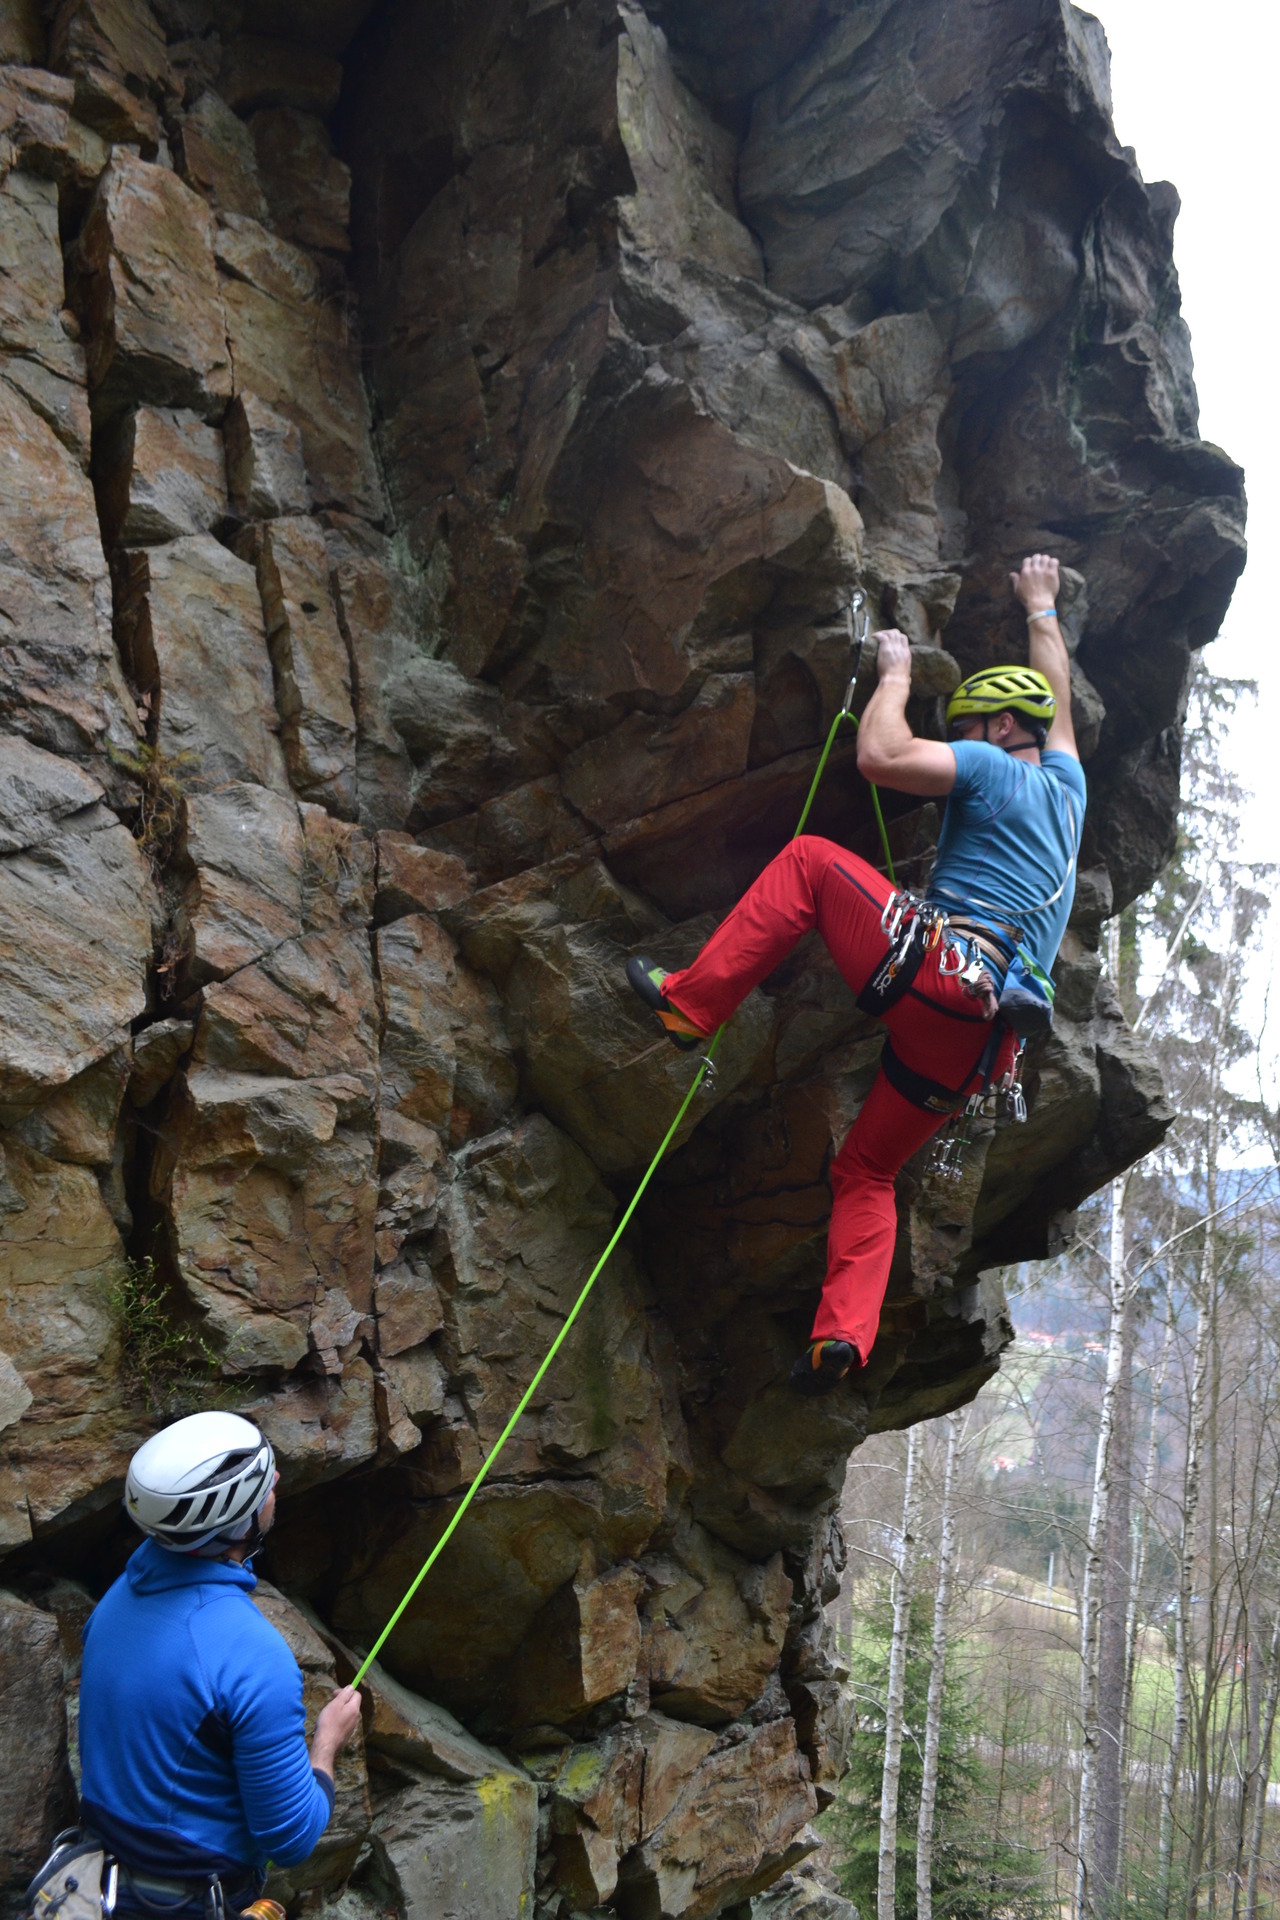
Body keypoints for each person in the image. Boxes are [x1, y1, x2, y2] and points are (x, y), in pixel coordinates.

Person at [627, 553, 1086, 1395]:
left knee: (807, 862)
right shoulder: (1068, 787)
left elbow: (880, 756)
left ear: (995, 730)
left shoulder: (989, 768)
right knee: (867, 1170)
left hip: (940, 974)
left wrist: (896, 673)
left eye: (971, 727)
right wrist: (1041, 606)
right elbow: (1056, 698)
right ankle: (842, 1340)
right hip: (978, 1046)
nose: (966, 740)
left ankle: (691, 1006)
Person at [76, 1411, 363, 1918]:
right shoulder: (253, 1656)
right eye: (263, 1484)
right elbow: (291, 1837)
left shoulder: (117, 1602)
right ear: (239, 1521)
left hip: (99, 1884)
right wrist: (327, 1744)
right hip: (190, 1902)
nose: (276, 1481)